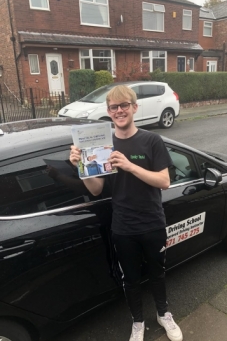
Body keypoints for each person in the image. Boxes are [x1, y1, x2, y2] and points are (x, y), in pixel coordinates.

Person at [70, 85, 183, 341]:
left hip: (153, 222)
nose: (119, 110)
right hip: (123, 227)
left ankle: (163, 314)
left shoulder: (151, 140)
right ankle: (138, 321)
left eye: (124, 105)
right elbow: (97, 190)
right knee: (130, 279)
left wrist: (130, 166)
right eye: (114, 107)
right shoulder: (101, 142)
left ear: (134, 107)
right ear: (108, 112)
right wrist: (81, 167)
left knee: (157, 273)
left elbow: (164, 181)